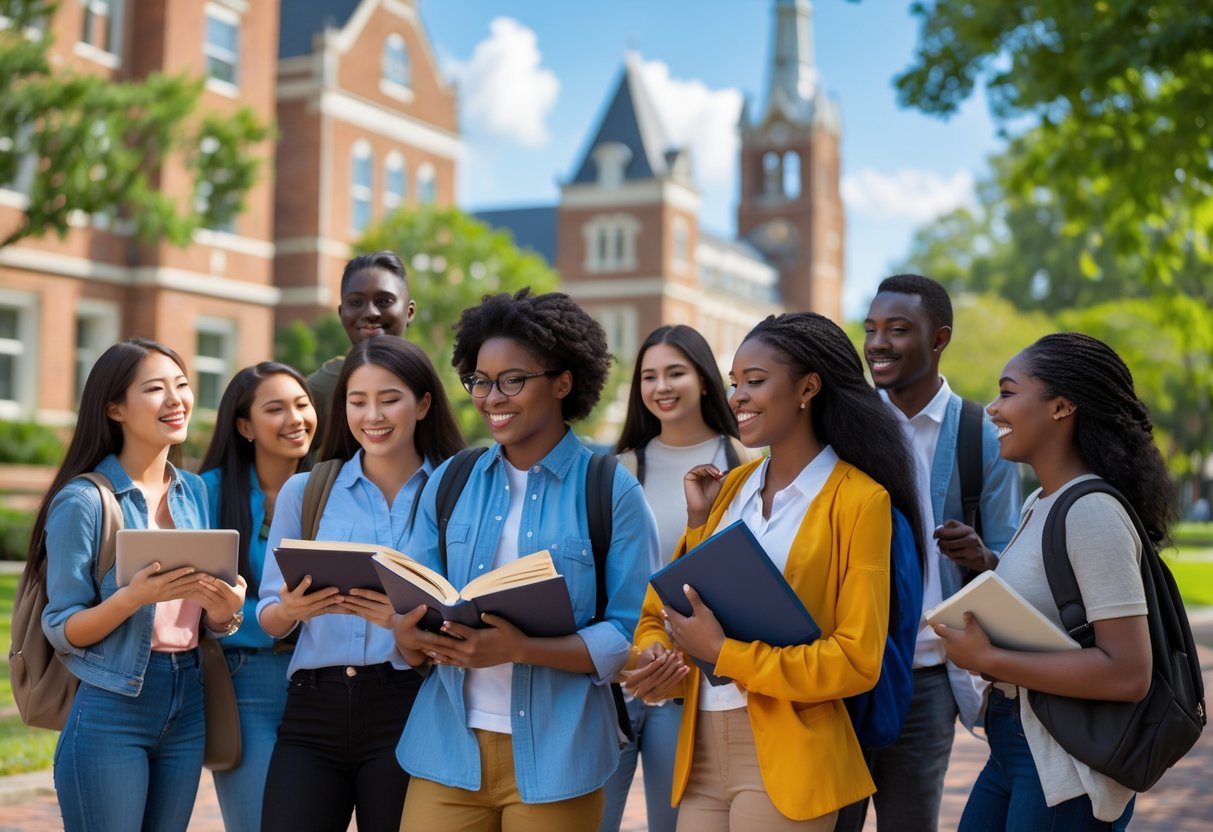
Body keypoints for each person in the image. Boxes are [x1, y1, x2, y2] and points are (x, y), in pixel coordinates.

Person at [626, 312, 925, 832]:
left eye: (755, 381)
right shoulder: (726, 490)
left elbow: (856, 661)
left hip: (794, 754)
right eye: (734, 383)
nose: (738, 397)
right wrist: (657, 654)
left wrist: (724, 653)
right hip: (700, 751)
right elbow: (662, 612)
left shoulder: (860, 500)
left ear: (808, 388)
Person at [393, 288, 658, 830]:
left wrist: (521, 649)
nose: (492, 398)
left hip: (560, 756)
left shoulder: (612, 491)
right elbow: (415, 598)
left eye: (513, 380)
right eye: (481, 381)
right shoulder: (451, 481)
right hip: (447, 749)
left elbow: (628, 632)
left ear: (563, 383)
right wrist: (407, 634)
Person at [934, 332, 1162, 830]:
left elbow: (1129, 673)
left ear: (1061, 407)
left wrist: (988, 659)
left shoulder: (1092, 511)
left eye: (1008, 392)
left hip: (1067, 764)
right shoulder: (1041, 502)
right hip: (1016, 741)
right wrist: (990, 565)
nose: (992, 408)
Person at [836, 273, 1022, 832]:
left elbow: (1013, 558)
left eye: (897, 330)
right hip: (843, 665)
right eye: (871, 329)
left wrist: (981, 556)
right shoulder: (844, 427)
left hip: (928, 673)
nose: (877, 343)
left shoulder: (982, 434)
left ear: (939, 339)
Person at [37, 338, 245, 831]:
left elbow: (203, 621)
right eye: (155, 389)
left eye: (182, 385)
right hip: (112, 702)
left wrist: (224, 611)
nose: (176, 400)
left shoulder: (193, 491)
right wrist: (132, 598)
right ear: (115, 408)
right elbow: (63, 628)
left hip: (187, 698)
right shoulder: (84, 501)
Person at [256, 336, 463, 832]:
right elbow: (267, 616)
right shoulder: (306, 491)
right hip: (312, 707)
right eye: (357, 401)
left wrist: (400, 622)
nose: (373, 415)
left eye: (389, 399)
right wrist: (290, 610)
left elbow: (464, 612)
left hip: (410, 704)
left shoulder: (454, 492)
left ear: (423, 404)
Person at [602, 324, 752, 832]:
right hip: (619, 674)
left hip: (696, 682)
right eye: (649, 376)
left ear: (705, 380)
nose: (661, 387)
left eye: (675, 373)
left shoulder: (744, 462)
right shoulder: (618, 469)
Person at [198, 362, 317, 832]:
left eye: (302, 404)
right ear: (245, 426)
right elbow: (199, 601)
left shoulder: (335, 489)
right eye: (275, 409)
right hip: (245, 683)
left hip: (322, 682)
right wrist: (275, 615)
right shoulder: (207, 493)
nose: (295, 419)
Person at [308, 250, 416, 433]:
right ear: (341, 313)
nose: (370, 313)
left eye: (384, 301)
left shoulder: (422, 377)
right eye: (356, 302)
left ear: (409, 312)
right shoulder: (325, 386)